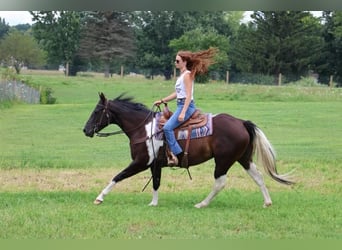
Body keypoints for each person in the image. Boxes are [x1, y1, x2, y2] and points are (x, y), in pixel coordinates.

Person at [154, 47, 218, 166]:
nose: (175, 63)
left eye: (177, 61)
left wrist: (183, 112)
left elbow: (188, 96)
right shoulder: (181, 76)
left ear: (184, 62)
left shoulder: (187, 75)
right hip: (181, 105)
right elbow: (177, 93)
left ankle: (176, 155)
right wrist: (162, 100)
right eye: (175, 61)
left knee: (167, 128)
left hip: (186, 106)